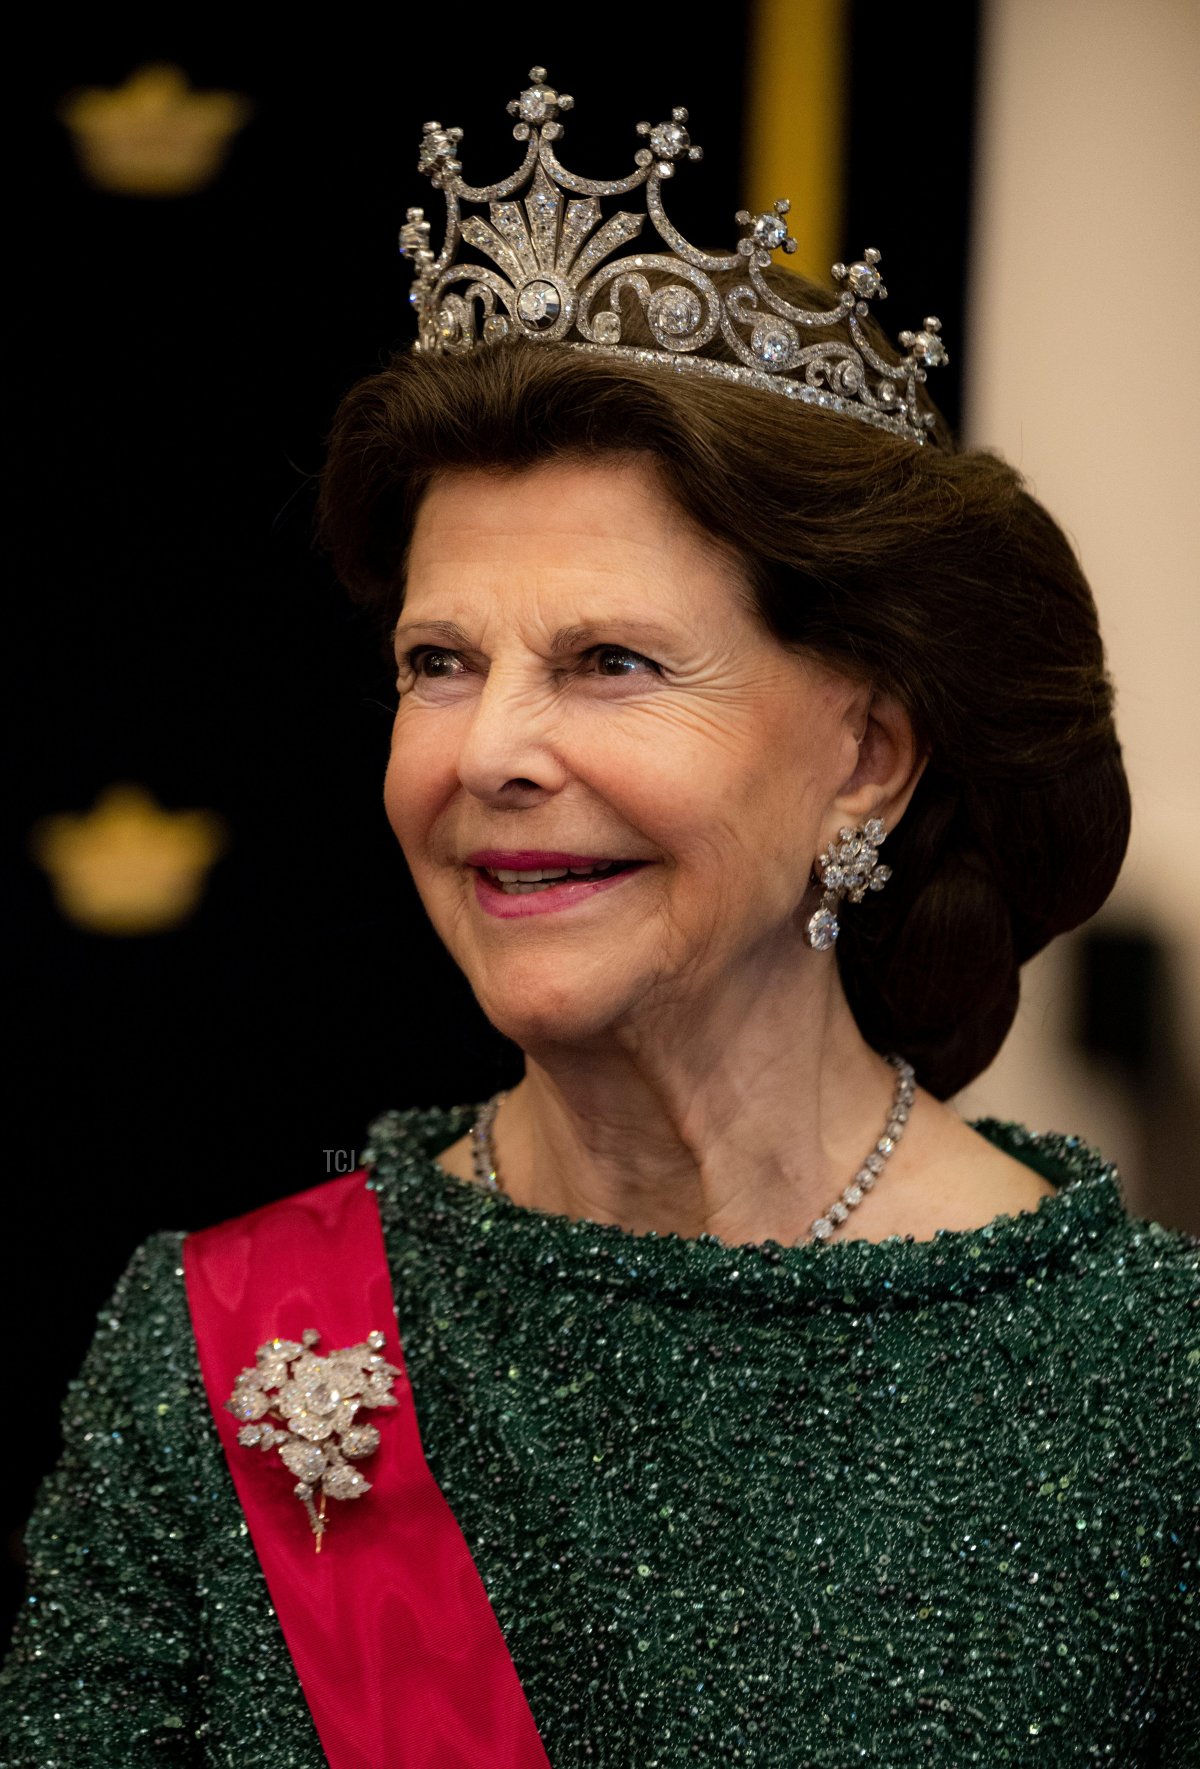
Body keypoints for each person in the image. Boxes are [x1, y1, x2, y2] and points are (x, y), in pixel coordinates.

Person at [2, 67, 1197, 1769]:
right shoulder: (218, 1352)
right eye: (440, 664)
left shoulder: (1152, 1396)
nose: (487, 753)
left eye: (609, 664)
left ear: (867, 753)